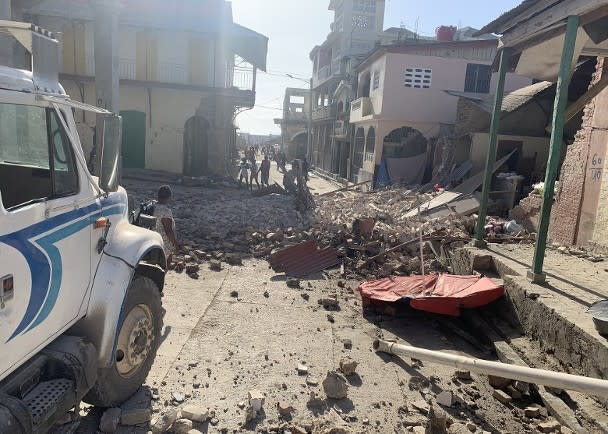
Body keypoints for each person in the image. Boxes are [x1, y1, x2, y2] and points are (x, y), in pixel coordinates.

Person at [154, 185, 179, 264]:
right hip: (163, 242)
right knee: (166, 262)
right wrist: (175, 244)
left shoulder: (152, 206)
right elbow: (168, 231)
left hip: (152, 239)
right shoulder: (166, 211)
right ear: (169, 197)